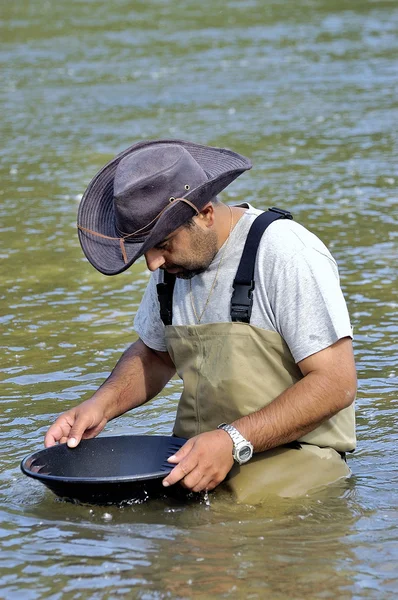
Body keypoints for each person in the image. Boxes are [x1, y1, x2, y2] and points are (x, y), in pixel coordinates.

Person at [45, 139, 357, 503]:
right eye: (144, 250)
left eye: (161, 244)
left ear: (205, 214)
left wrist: (232, 440)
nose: (152, 264)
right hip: (197, 458)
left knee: (209, 536)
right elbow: (156, 355)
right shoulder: (174, 265)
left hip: (296, 459)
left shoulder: (285, 252)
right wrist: (100, 406)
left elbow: (336, 382)